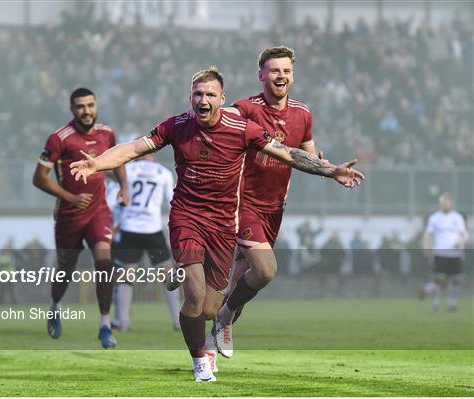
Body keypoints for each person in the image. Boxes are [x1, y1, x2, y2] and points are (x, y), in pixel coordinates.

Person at [70, 67, 364, 382]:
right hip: (187, 217)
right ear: (190, 98)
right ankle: (200, 363)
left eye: (210, 94)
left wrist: (330, 169)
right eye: (198, 94)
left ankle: (184, 278)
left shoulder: (243, 128)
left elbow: (288, 154)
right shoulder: (176, 126)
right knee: (194, 296)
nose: (203, 100)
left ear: (222, 100)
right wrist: (98, 163)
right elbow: (133, 149)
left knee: (210, 308)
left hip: (224, 225)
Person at [203, 46, 322, 363]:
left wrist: (326, 165)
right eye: (274, 70)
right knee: (266, 270)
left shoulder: (303, 114)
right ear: (261, 75)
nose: (280, 76)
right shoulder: (245, 109)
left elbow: (307, 154)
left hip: (274, 208)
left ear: (292, 75)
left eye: (286, 70)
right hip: (243, 203)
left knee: (243, 283)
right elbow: (217, 126)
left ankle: (209, 344)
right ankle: (223, 318)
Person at [32, 87, 128, 348]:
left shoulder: (107, 133)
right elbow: (38, 178)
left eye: (90, 105)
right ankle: (54, 307)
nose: (86, 111)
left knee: (104, 262)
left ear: (96, 106)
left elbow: (118, 159)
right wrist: (70, 197)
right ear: (72, 110)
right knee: (66, 268)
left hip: (98, 211)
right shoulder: (59, 138)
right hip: (69, 215)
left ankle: (105, 325)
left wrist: (124, 186)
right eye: (80, 107)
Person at [110, 154, 181, 331]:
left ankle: (123, 321)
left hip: (129, 228)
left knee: (126, 275)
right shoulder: (163, 172)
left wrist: (115, 222)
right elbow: (173, 202)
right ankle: (178, 321)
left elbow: (113, 200)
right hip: (153, 230)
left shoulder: (127, 170)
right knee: (168, 275)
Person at [422, 193, 468, 311]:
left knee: (456, 279)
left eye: (446, 202)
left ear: (450, 203)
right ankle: (436, 303)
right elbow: (428, 234)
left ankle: (453, 303)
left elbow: (464, 234)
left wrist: (461, 243)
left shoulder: (457, 218)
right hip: (440, 253)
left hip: (455, 253)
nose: (443, 205)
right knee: (439, 279)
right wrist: (426, 247)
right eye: (441, 203)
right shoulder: (435, 218)